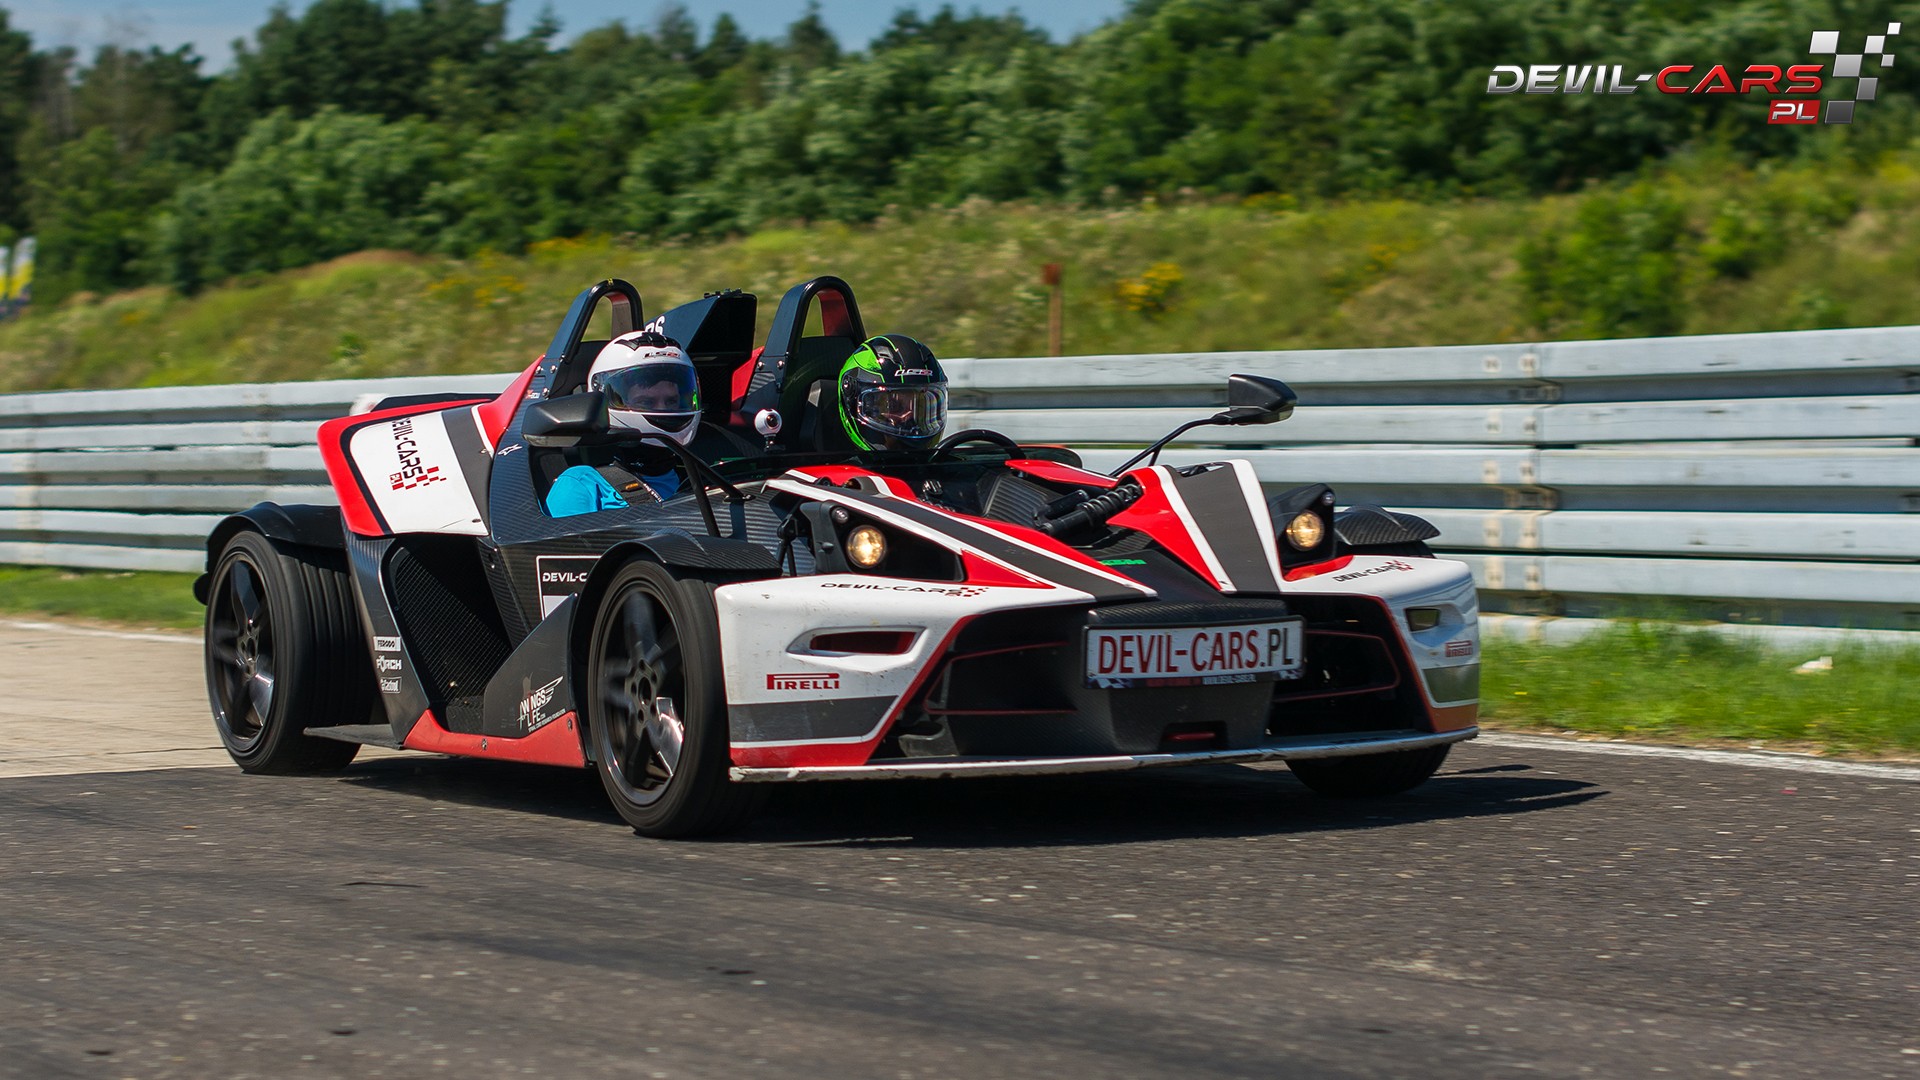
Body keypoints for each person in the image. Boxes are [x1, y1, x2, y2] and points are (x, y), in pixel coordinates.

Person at [544, 331, 700, 517]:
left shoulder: (703, 479)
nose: (663, 410)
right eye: (646, 402)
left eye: (671, 401)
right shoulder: (583, 485)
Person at [835, 334, 948, 452]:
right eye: (894, 406)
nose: (908, 419)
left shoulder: (940, 461)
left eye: (919, 407)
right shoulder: (833, 463)